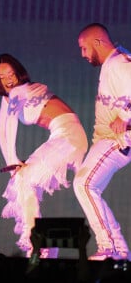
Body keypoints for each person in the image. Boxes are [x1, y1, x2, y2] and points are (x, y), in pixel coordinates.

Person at [0, 53, 88, 258]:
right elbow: (1, 129)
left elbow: (11, 122)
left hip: (69, 135)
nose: (8, 79)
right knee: (22, 179)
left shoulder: (20, 90)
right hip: (62, 136)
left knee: (23, 178)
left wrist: (14, 160)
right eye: (2, 76)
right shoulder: (7, 98)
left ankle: (38, 241)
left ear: (18, 73)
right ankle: (42, 243)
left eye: (11, 73)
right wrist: (12, 164)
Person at [74, 22, 131, 261]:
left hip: (117, 139)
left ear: (98, 42)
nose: (83, 54)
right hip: (105, 139)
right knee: (87, 186)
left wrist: (126, 116)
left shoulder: (119, 62)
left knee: (85, 184)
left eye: (84, 48)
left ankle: (110, 248)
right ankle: (119, 250)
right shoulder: (112, 64)